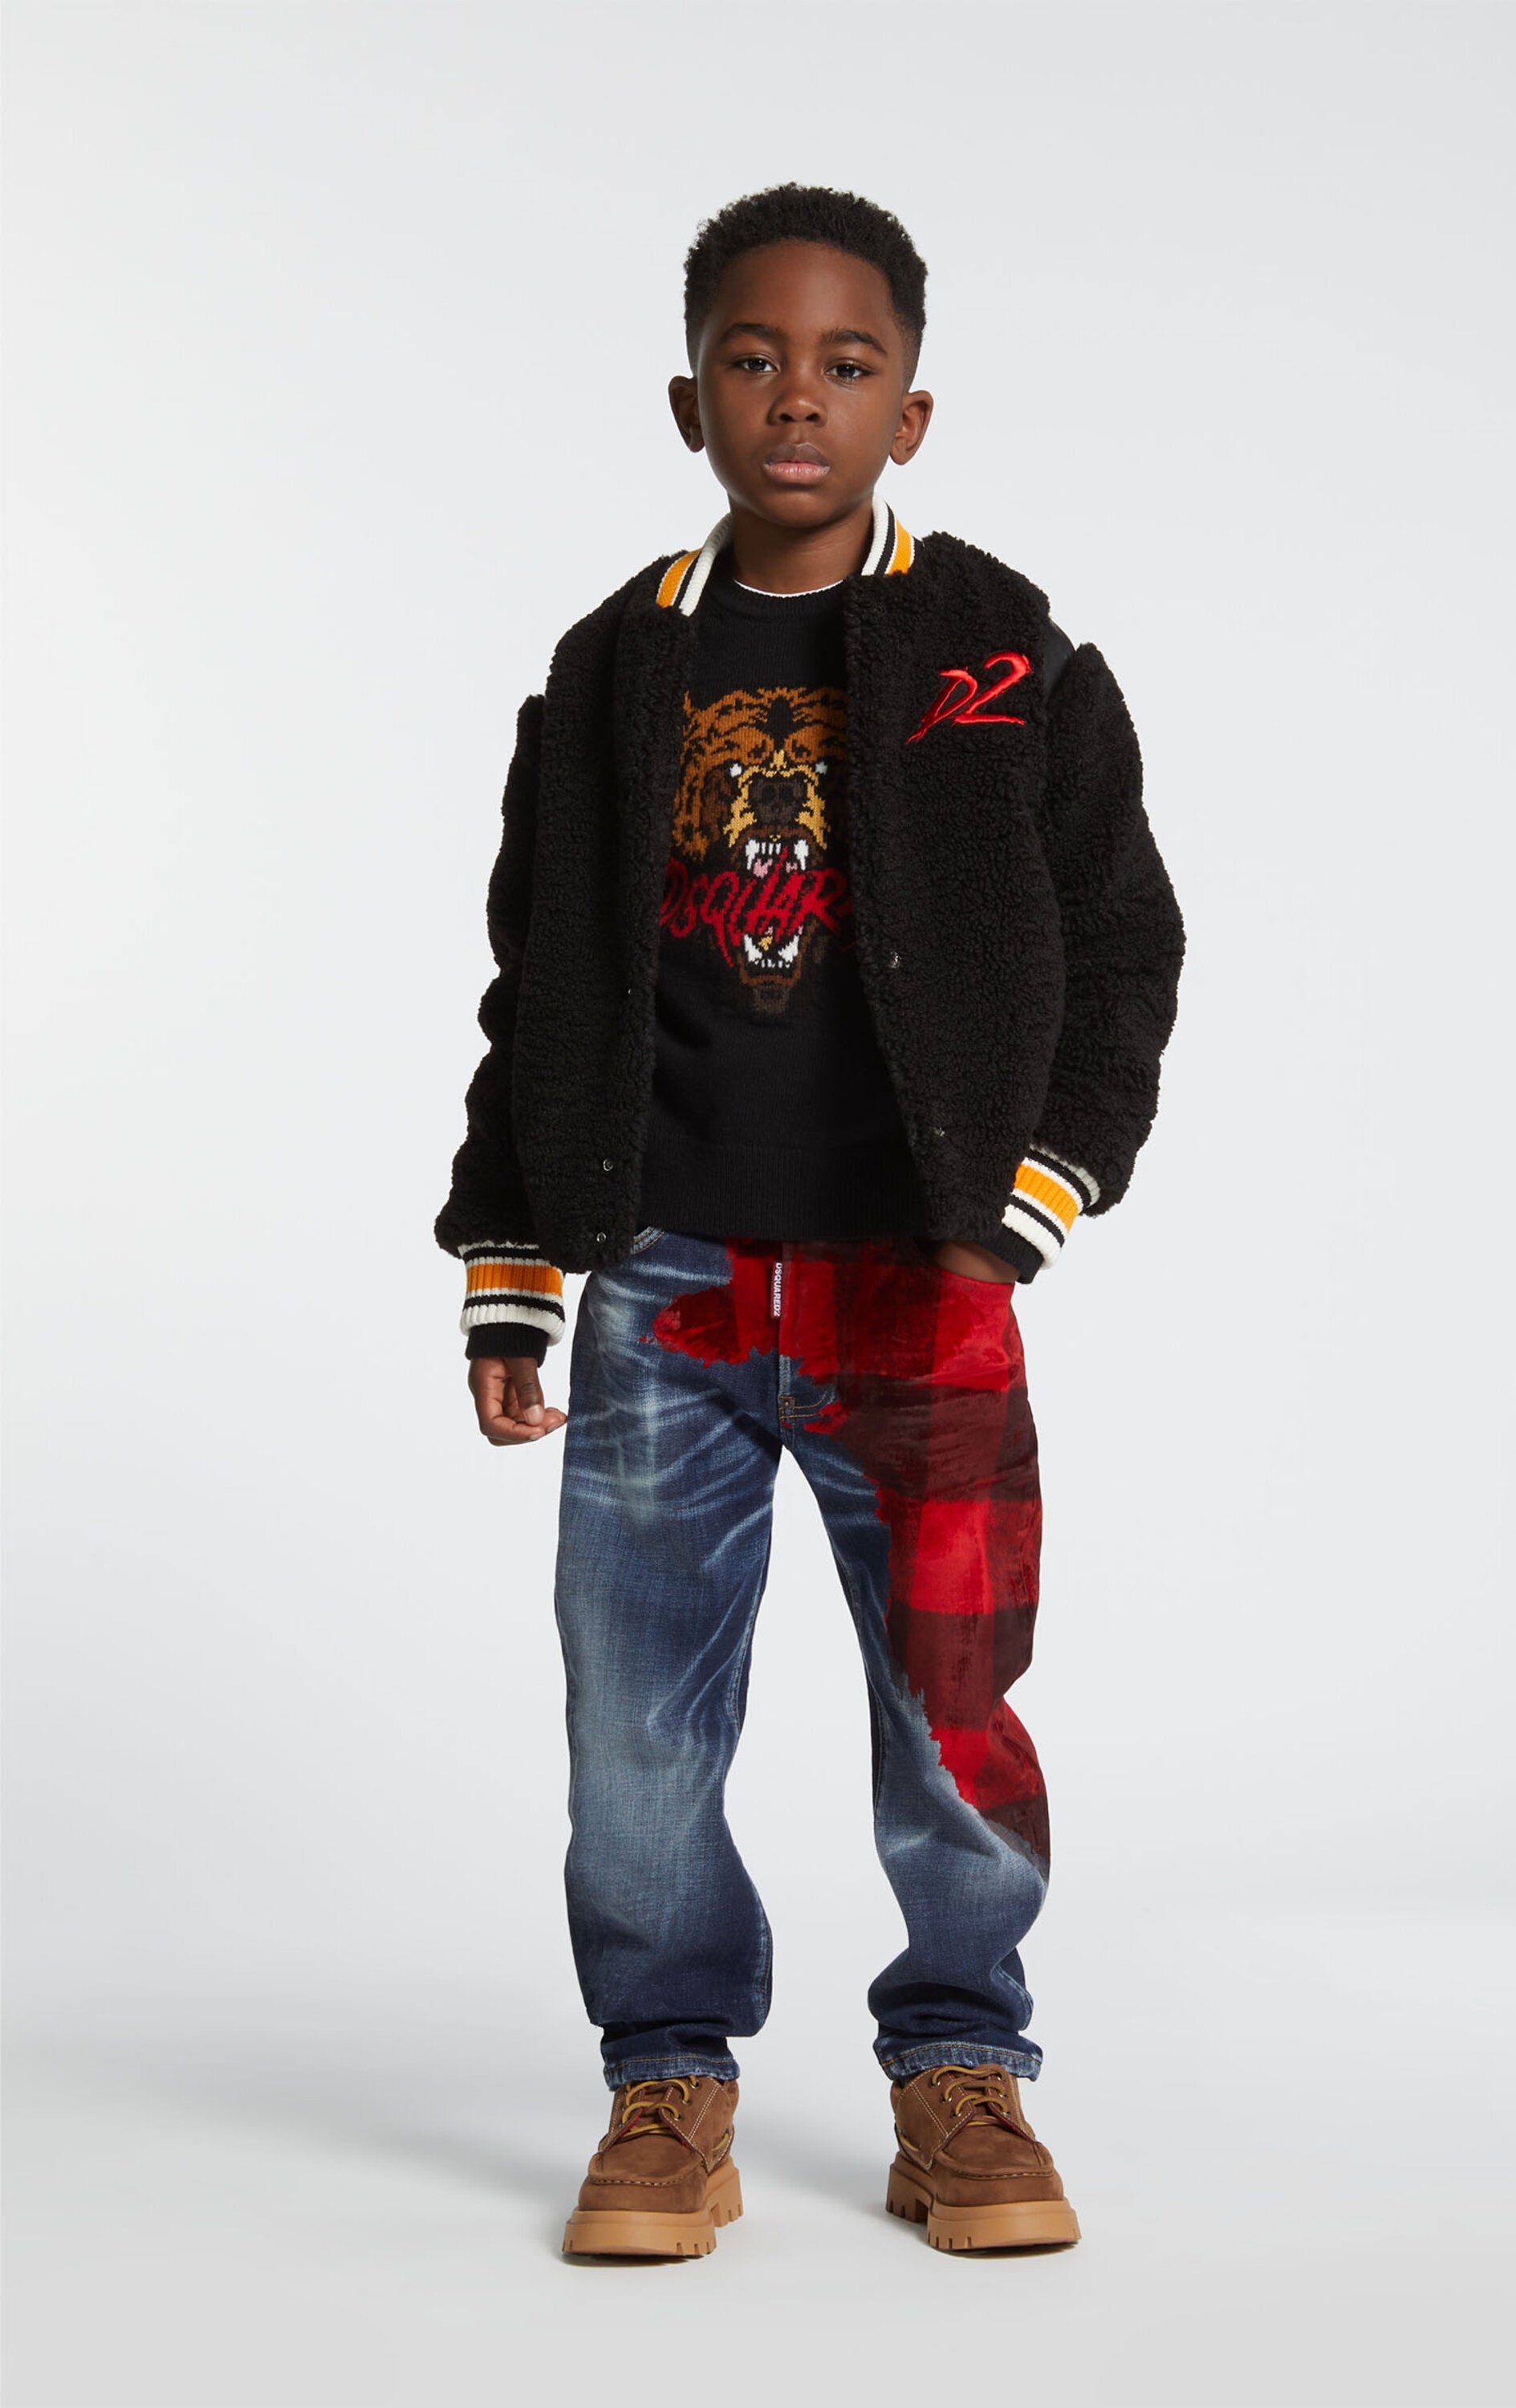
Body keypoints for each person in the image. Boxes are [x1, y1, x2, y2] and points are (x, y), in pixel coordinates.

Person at [435, 183, 1185, 2258]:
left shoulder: (1003, 651)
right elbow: (540, 982)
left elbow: (1124, 945)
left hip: (917, 1281)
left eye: (846, 365)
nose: (797, 398)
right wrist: (514, 1269)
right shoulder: (613, 667)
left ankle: (963, 2069)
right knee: (635, 1725)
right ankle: (666, 2086)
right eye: (754, 360)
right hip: (664, 1285)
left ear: (908, 413)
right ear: (690, 399)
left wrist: (1022, 1208)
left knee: (954, 1703)